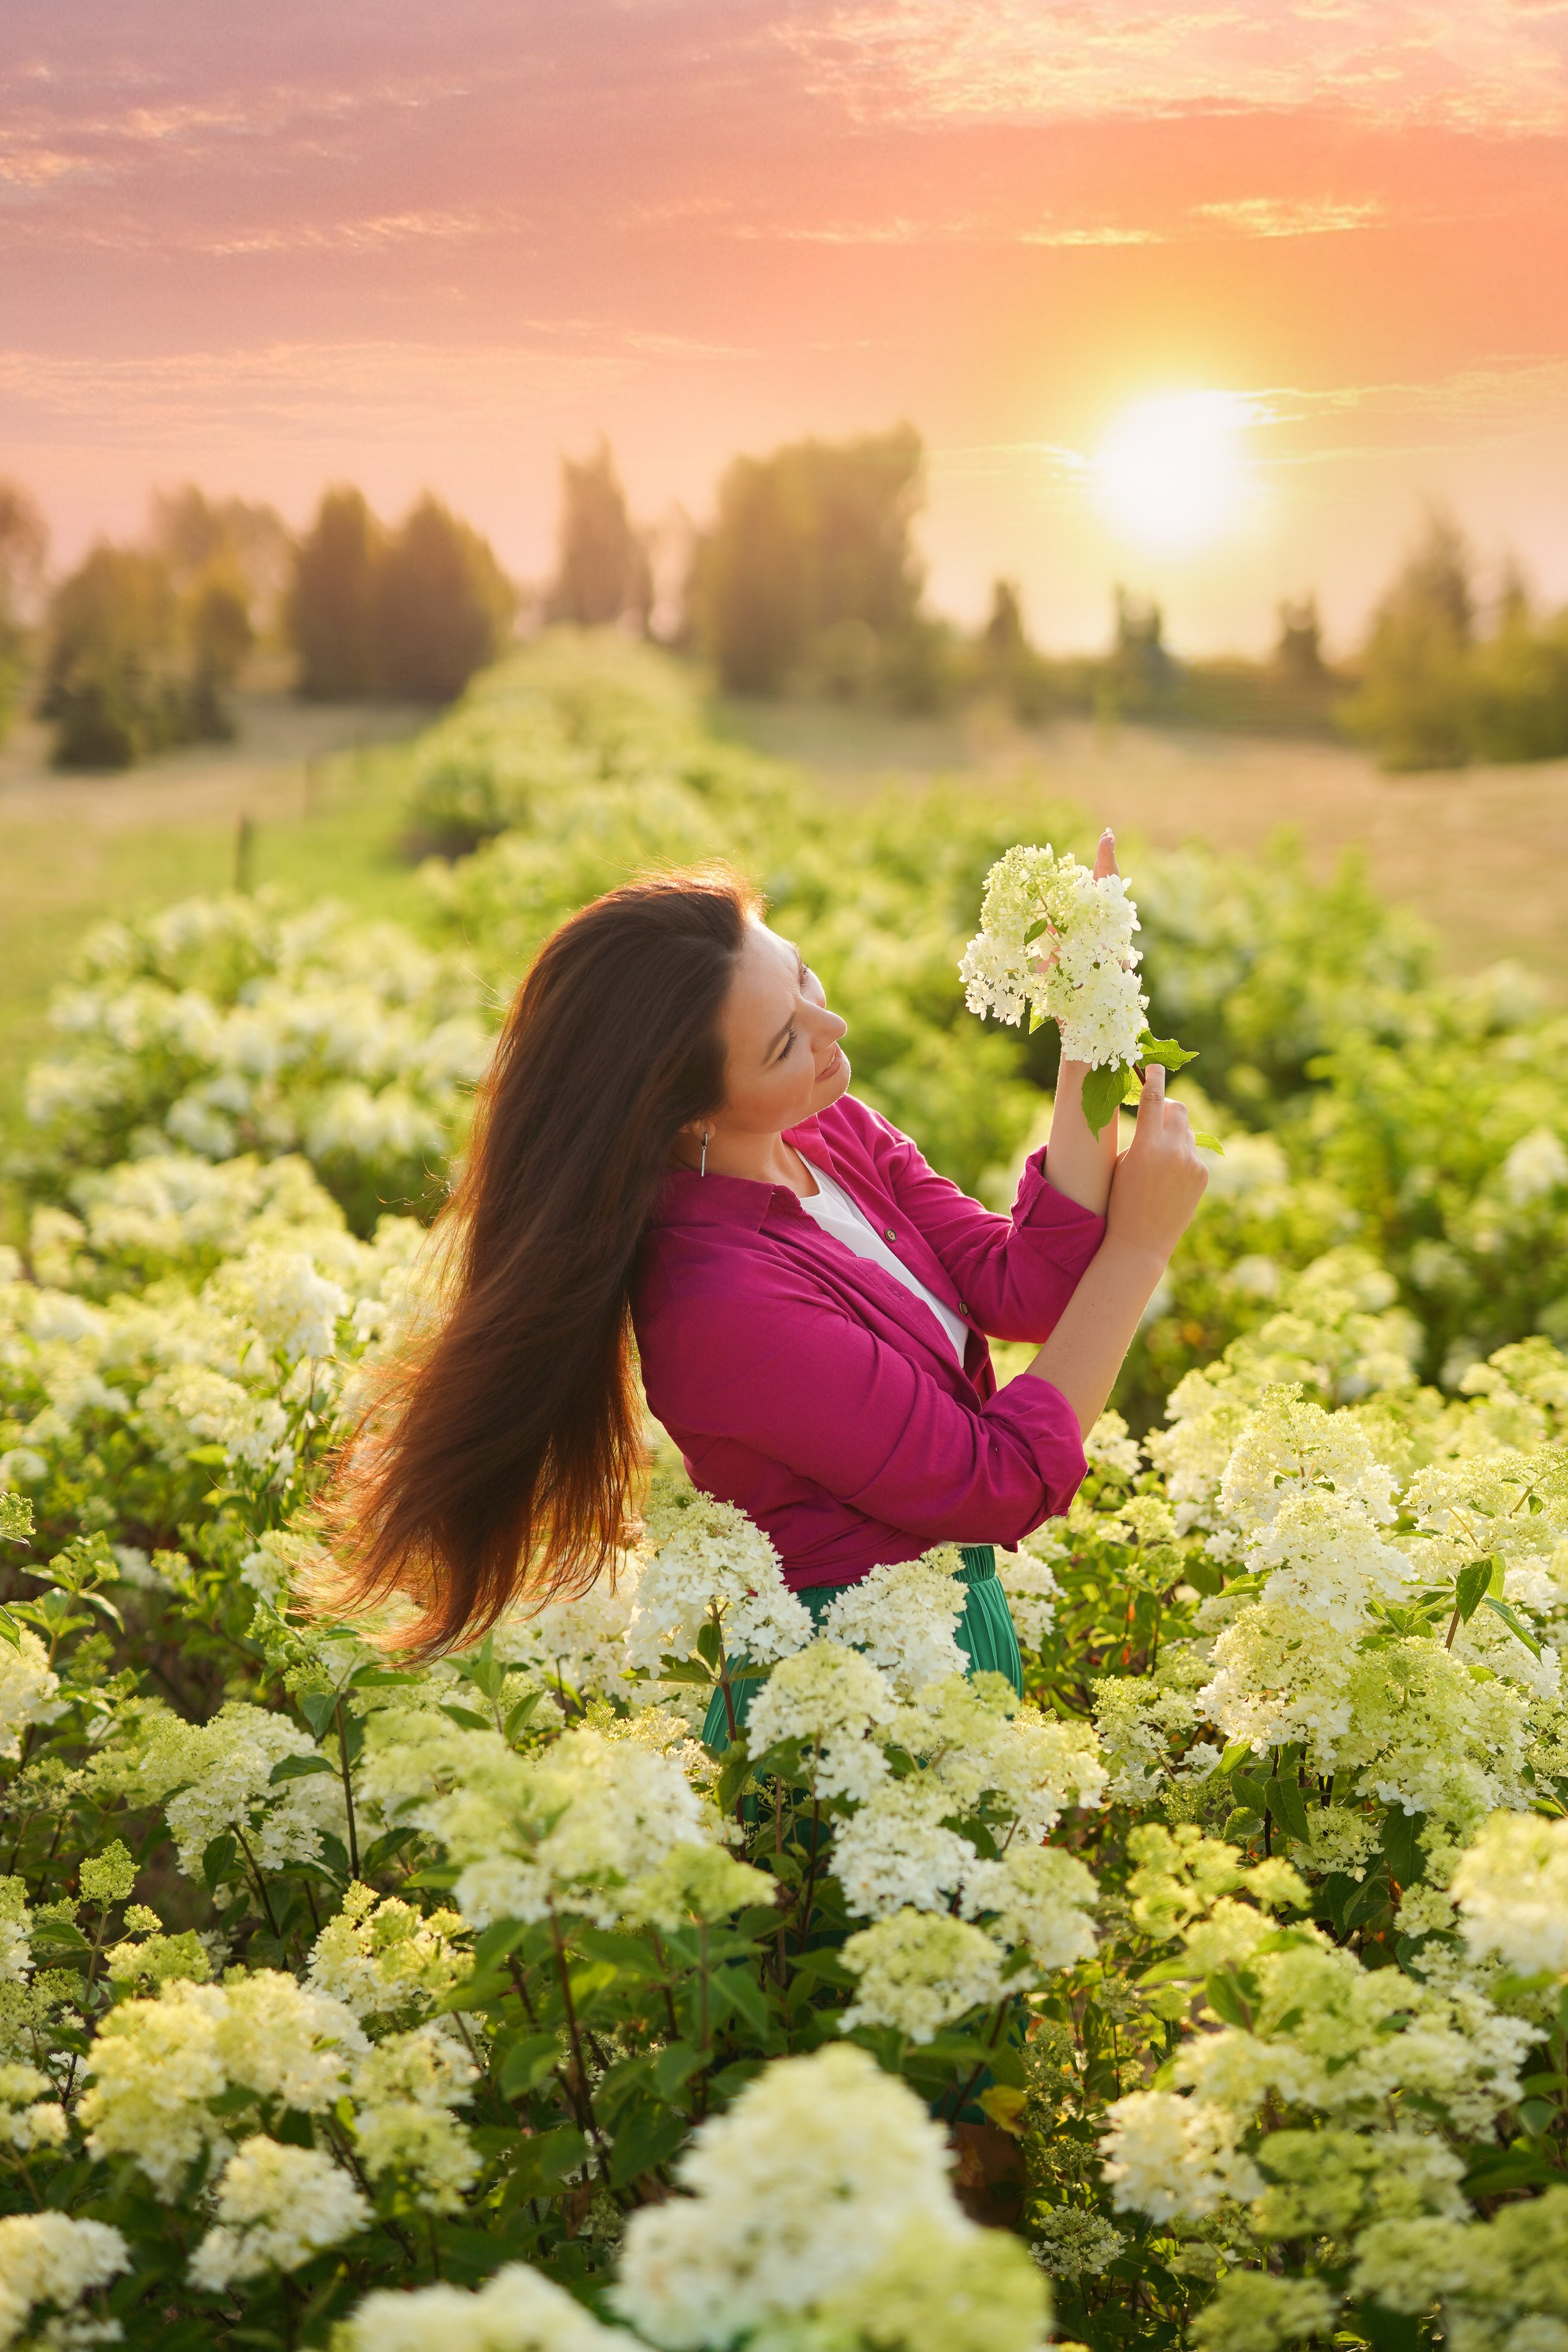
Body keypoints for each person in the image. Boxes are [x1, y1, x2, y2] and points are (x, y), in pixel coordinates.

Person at [331, 834, 1208, 1701]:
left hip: (946, 1633)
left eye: (802, 977)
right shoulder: (720, 1305)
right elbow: (996, 1481)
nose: (834, 1029)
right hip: (848, 1688)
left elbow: (1025, 1286)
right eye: (786, 1043)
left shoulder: (823, 1129)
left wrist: (1090, 1012)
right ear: (686, 1114)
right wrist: (1138, 1251)